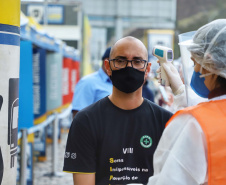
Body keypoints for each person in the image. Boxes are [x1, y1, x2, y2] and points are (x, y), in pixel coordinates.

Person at [63, 36, 173, 185]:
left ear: (147, 69)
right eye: (121, 61)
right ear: (108, 67)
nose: (129, 67)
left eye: (137, 61)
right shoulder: (86, 121)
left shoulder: (166, 121)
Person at [147, 19, 226, 185]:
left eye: (194, 62)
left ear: (209, 62)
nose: (195, 70)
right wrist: (180, 91)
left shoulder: (195, 124)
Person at [71, 47, 112, 118]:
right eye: (120, 61)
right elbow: (78, 116)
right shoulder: (88, 82)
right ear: (107, 62)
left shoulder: (118, 83)